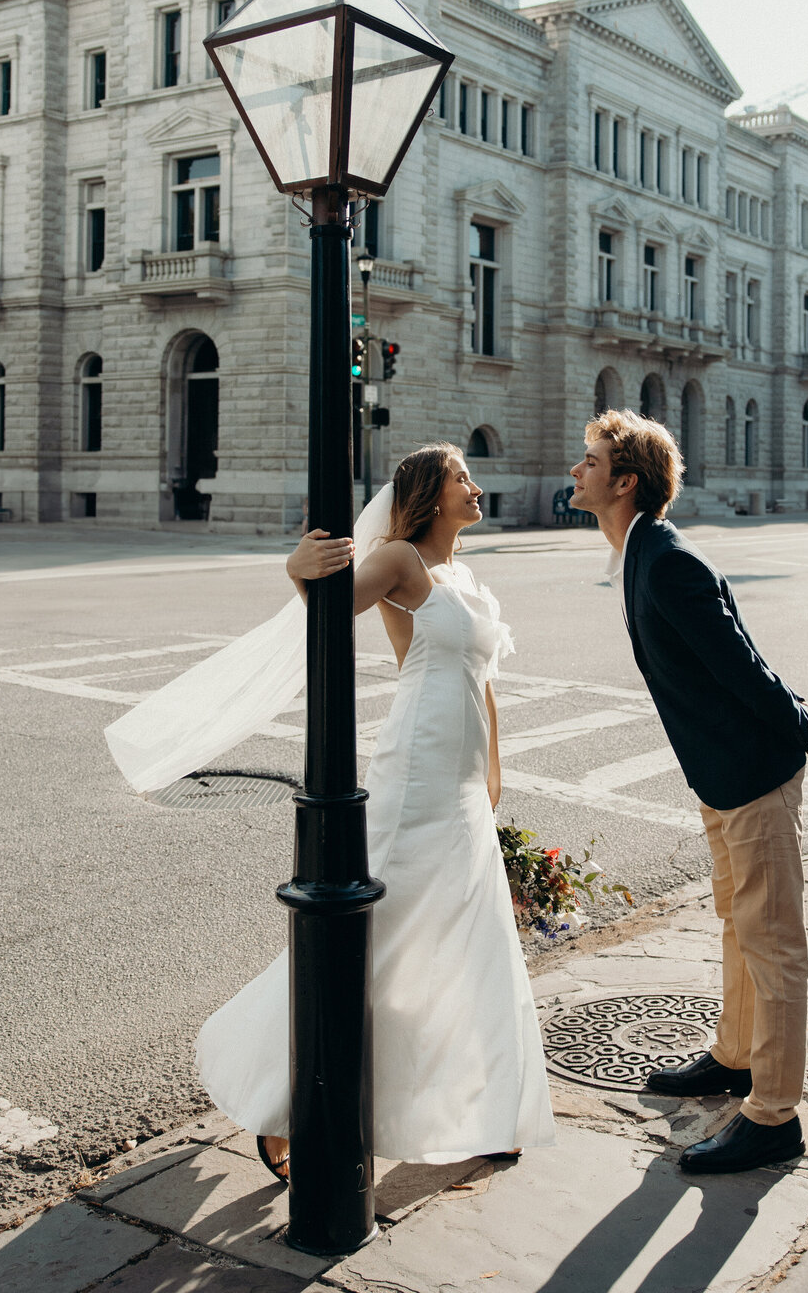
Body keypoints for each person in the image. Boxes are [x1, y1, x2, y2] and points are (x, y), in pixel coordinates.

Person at [190, 443, 555, 1179]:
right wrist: (297, 572)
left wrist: (493, 768)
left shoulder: (463, 574)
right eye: (462, 479)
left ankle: (481, 1108)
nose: (477, 488)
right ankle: (279, 1102)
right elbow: (330, 615)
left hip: (458, 776)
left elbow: (480, 680)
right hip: (415, 767)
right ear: (428, 494)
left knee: (468, 933)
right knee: (377, 932)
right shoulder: (399, 563)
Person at [569, 410, 808, 1176]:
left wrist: (800, 723)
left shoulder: (667, 562)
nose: (576, 471)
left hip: (752, 775)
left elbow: (740, 666)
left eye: (589, 461)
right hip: (721, 775)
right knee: (737, 925)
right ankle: (734, 1056)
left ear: (625, 482)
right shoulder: (639, 552)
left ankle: (773, 1114)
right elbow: (736, 660)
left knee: (772, 942)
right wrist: (804, 714)